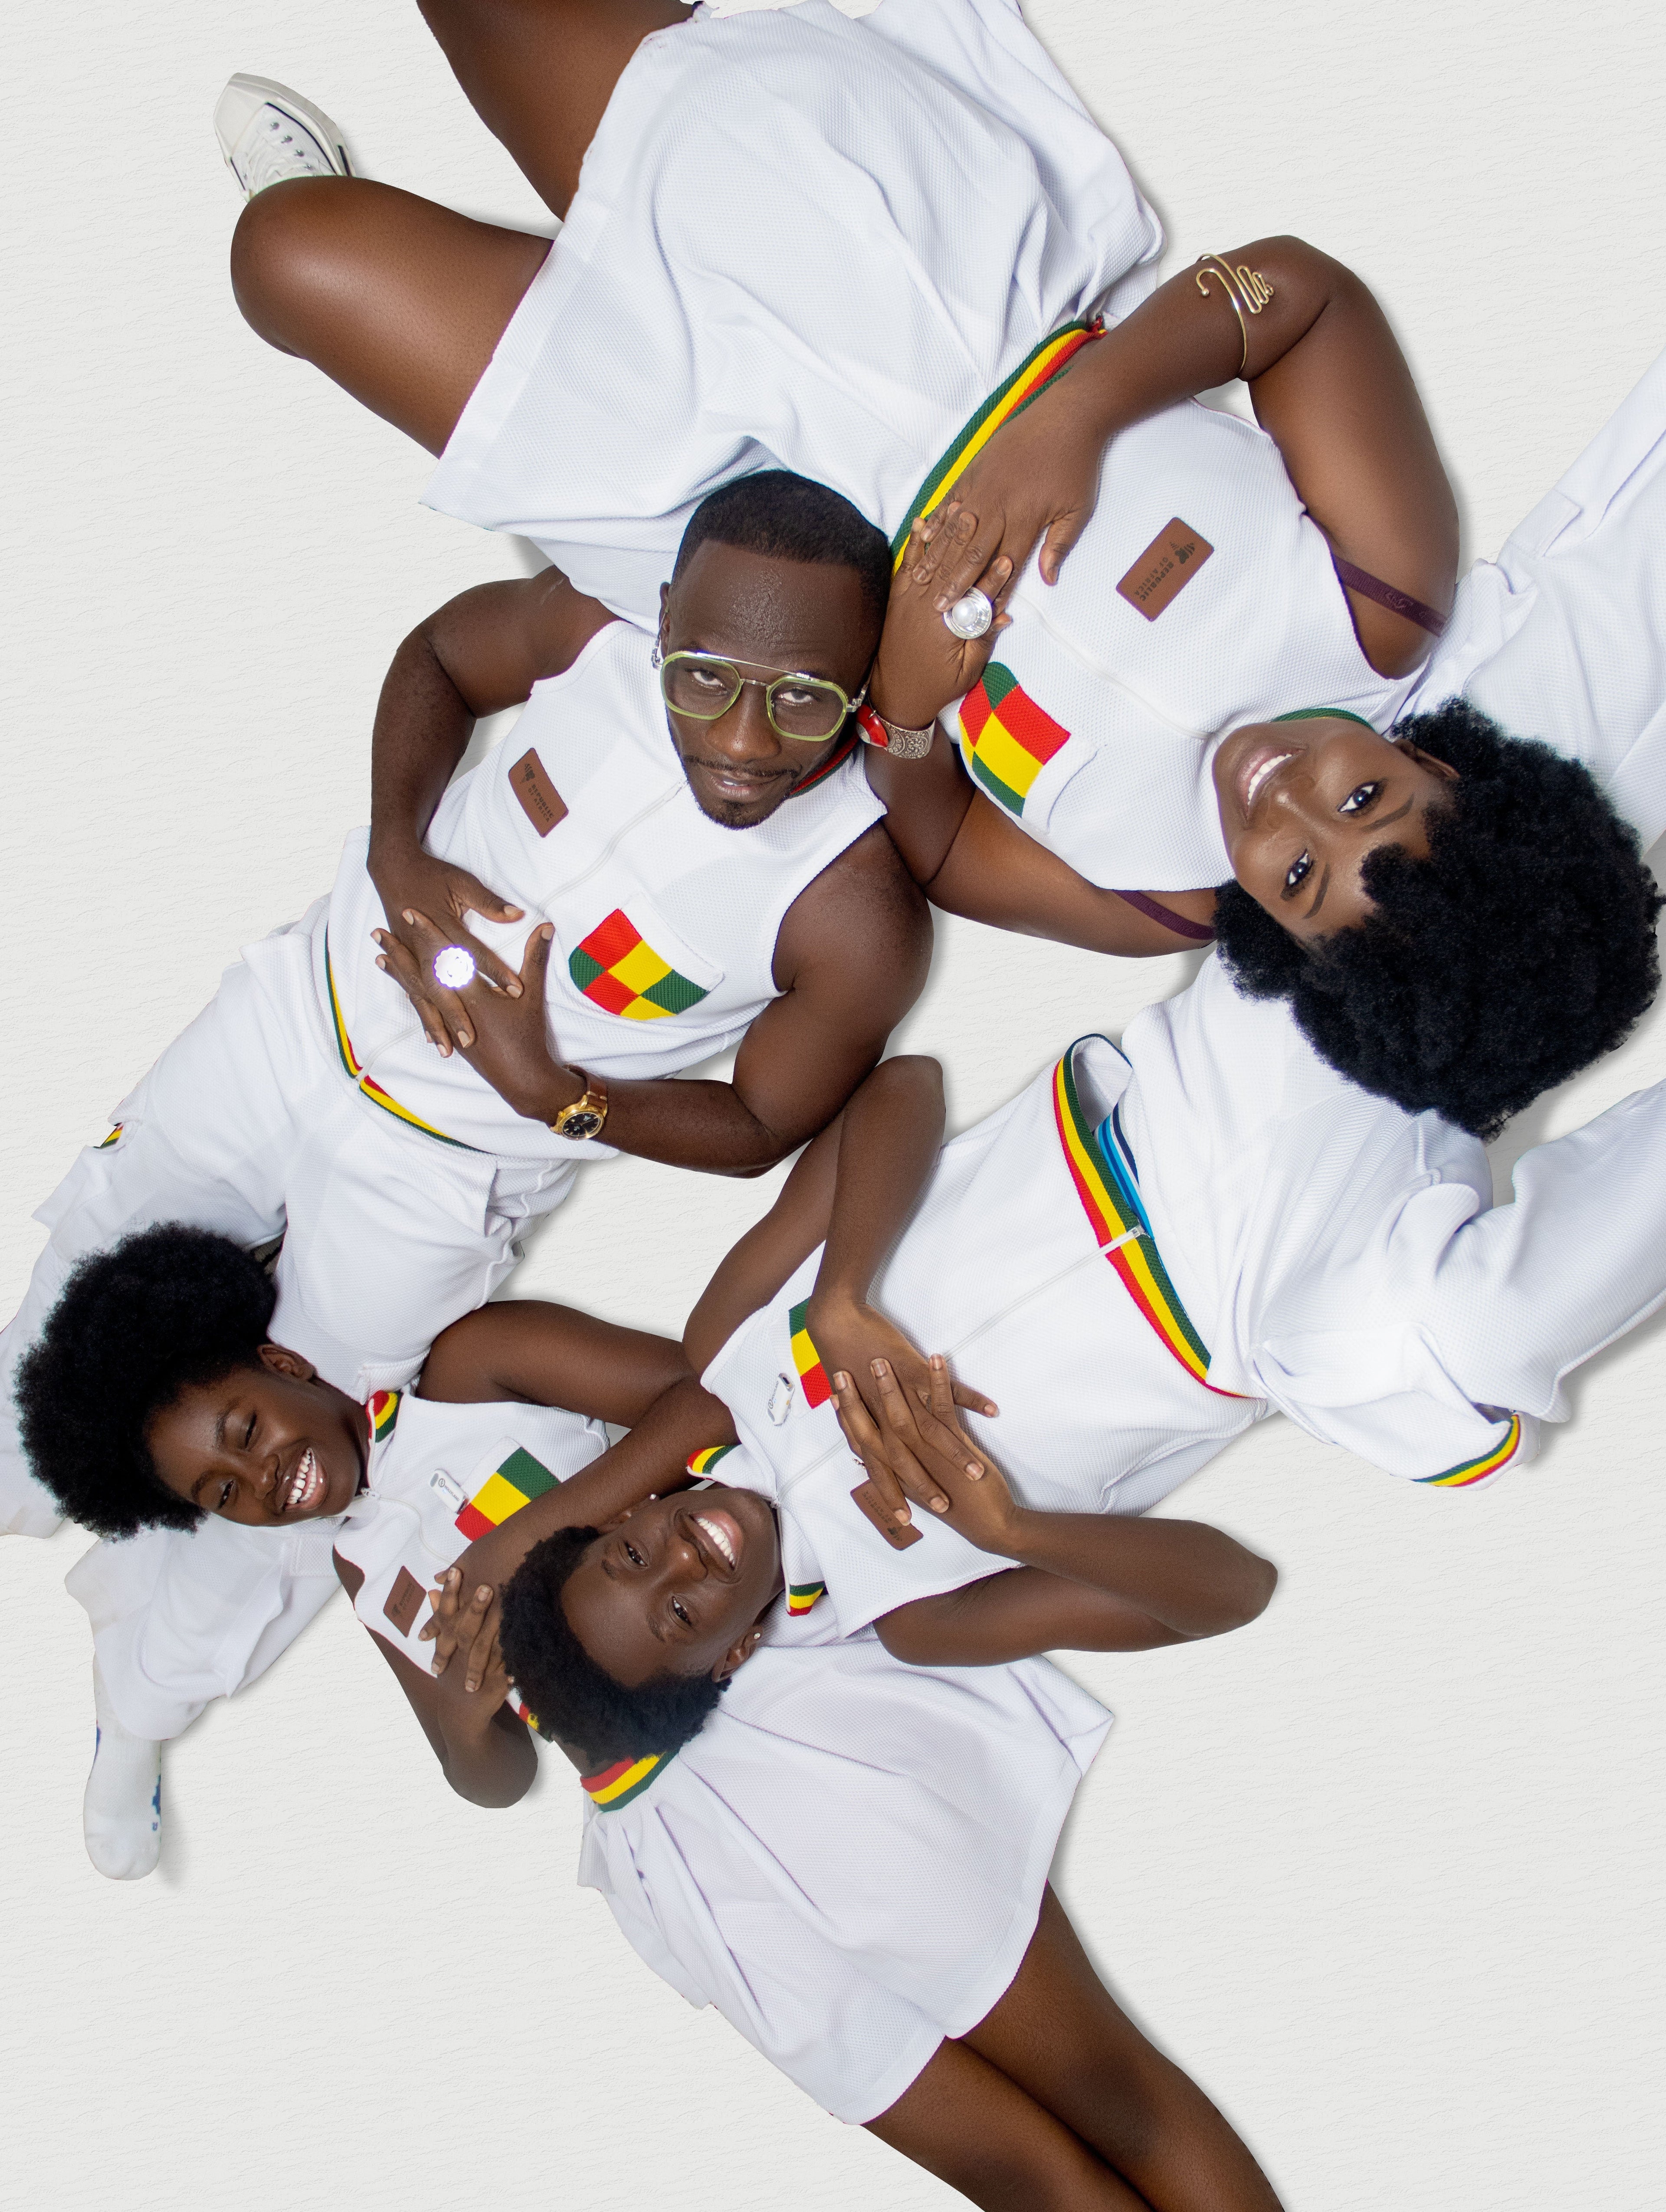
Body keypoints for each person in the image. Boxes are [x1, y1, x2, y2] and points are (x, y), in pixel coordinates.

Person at [216, 1, 1662, 1132]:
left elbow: (947, 850)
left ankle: (502, 240)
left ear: (1281, 939)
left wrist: (906, 709)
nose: (1280, 796)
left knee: (284, 257)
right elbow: (1293, 292)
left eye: (1296, 872)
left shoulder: (1156, 894)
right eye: (1366, 799)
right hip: (912, 296)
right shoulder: (1383, 600)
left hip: (731, 502)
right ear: (1458, 777)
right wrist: (1081, 418)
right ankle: (655, 114)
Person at [21, 1164, 1286, 2211]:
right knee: (1024, 2181)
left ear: (277, 1361)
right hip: (668, 1854)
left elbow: (699, 1398)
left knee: (1107, 2096)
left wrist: (531, 1542)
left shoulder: (464, 1366)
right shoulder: (358, 1573)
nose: (269, 1481)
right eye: (224, 1497)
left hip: (755, 1716)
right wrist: (470, 1711)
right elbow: (492, 1773)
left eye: (247, 1434)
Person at [0, 468, 929, 1874]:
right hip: (300, 1008)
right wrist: (397, 844)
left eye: (803, 696)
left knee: (279, 1481)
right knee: (80, 1303)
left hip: (441, 1167)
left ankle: (140, 1702)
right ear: (667, 619)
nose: (746, 735)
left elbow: (758, 1122)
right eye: (709, 676)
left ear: (860, 684)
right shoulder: (597, 632)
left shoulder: (851, 899)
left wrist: (563, 1100)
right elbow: (441, 654)